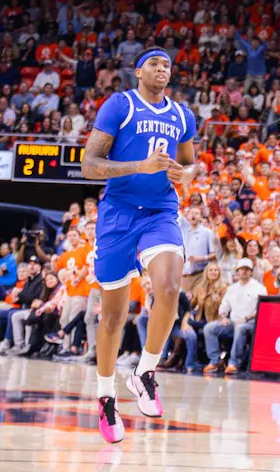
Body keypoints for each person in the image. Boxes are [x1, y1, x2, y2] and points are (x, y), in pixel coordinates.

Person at [80, 48, 198, 443]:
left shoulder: (182, 115)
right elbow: (89, 164)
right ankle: (105, 396)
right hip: (118, 213)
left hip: (160, 212)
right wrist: (139, 166)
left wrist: (184, 173)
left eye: (167, 64)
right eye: (154, 63)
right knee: (113, 315)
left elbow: (190, 161)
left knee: (169, 288)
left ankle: (145, 372)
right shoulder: (119, 105)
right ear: (138, 71)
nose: (162, 69)